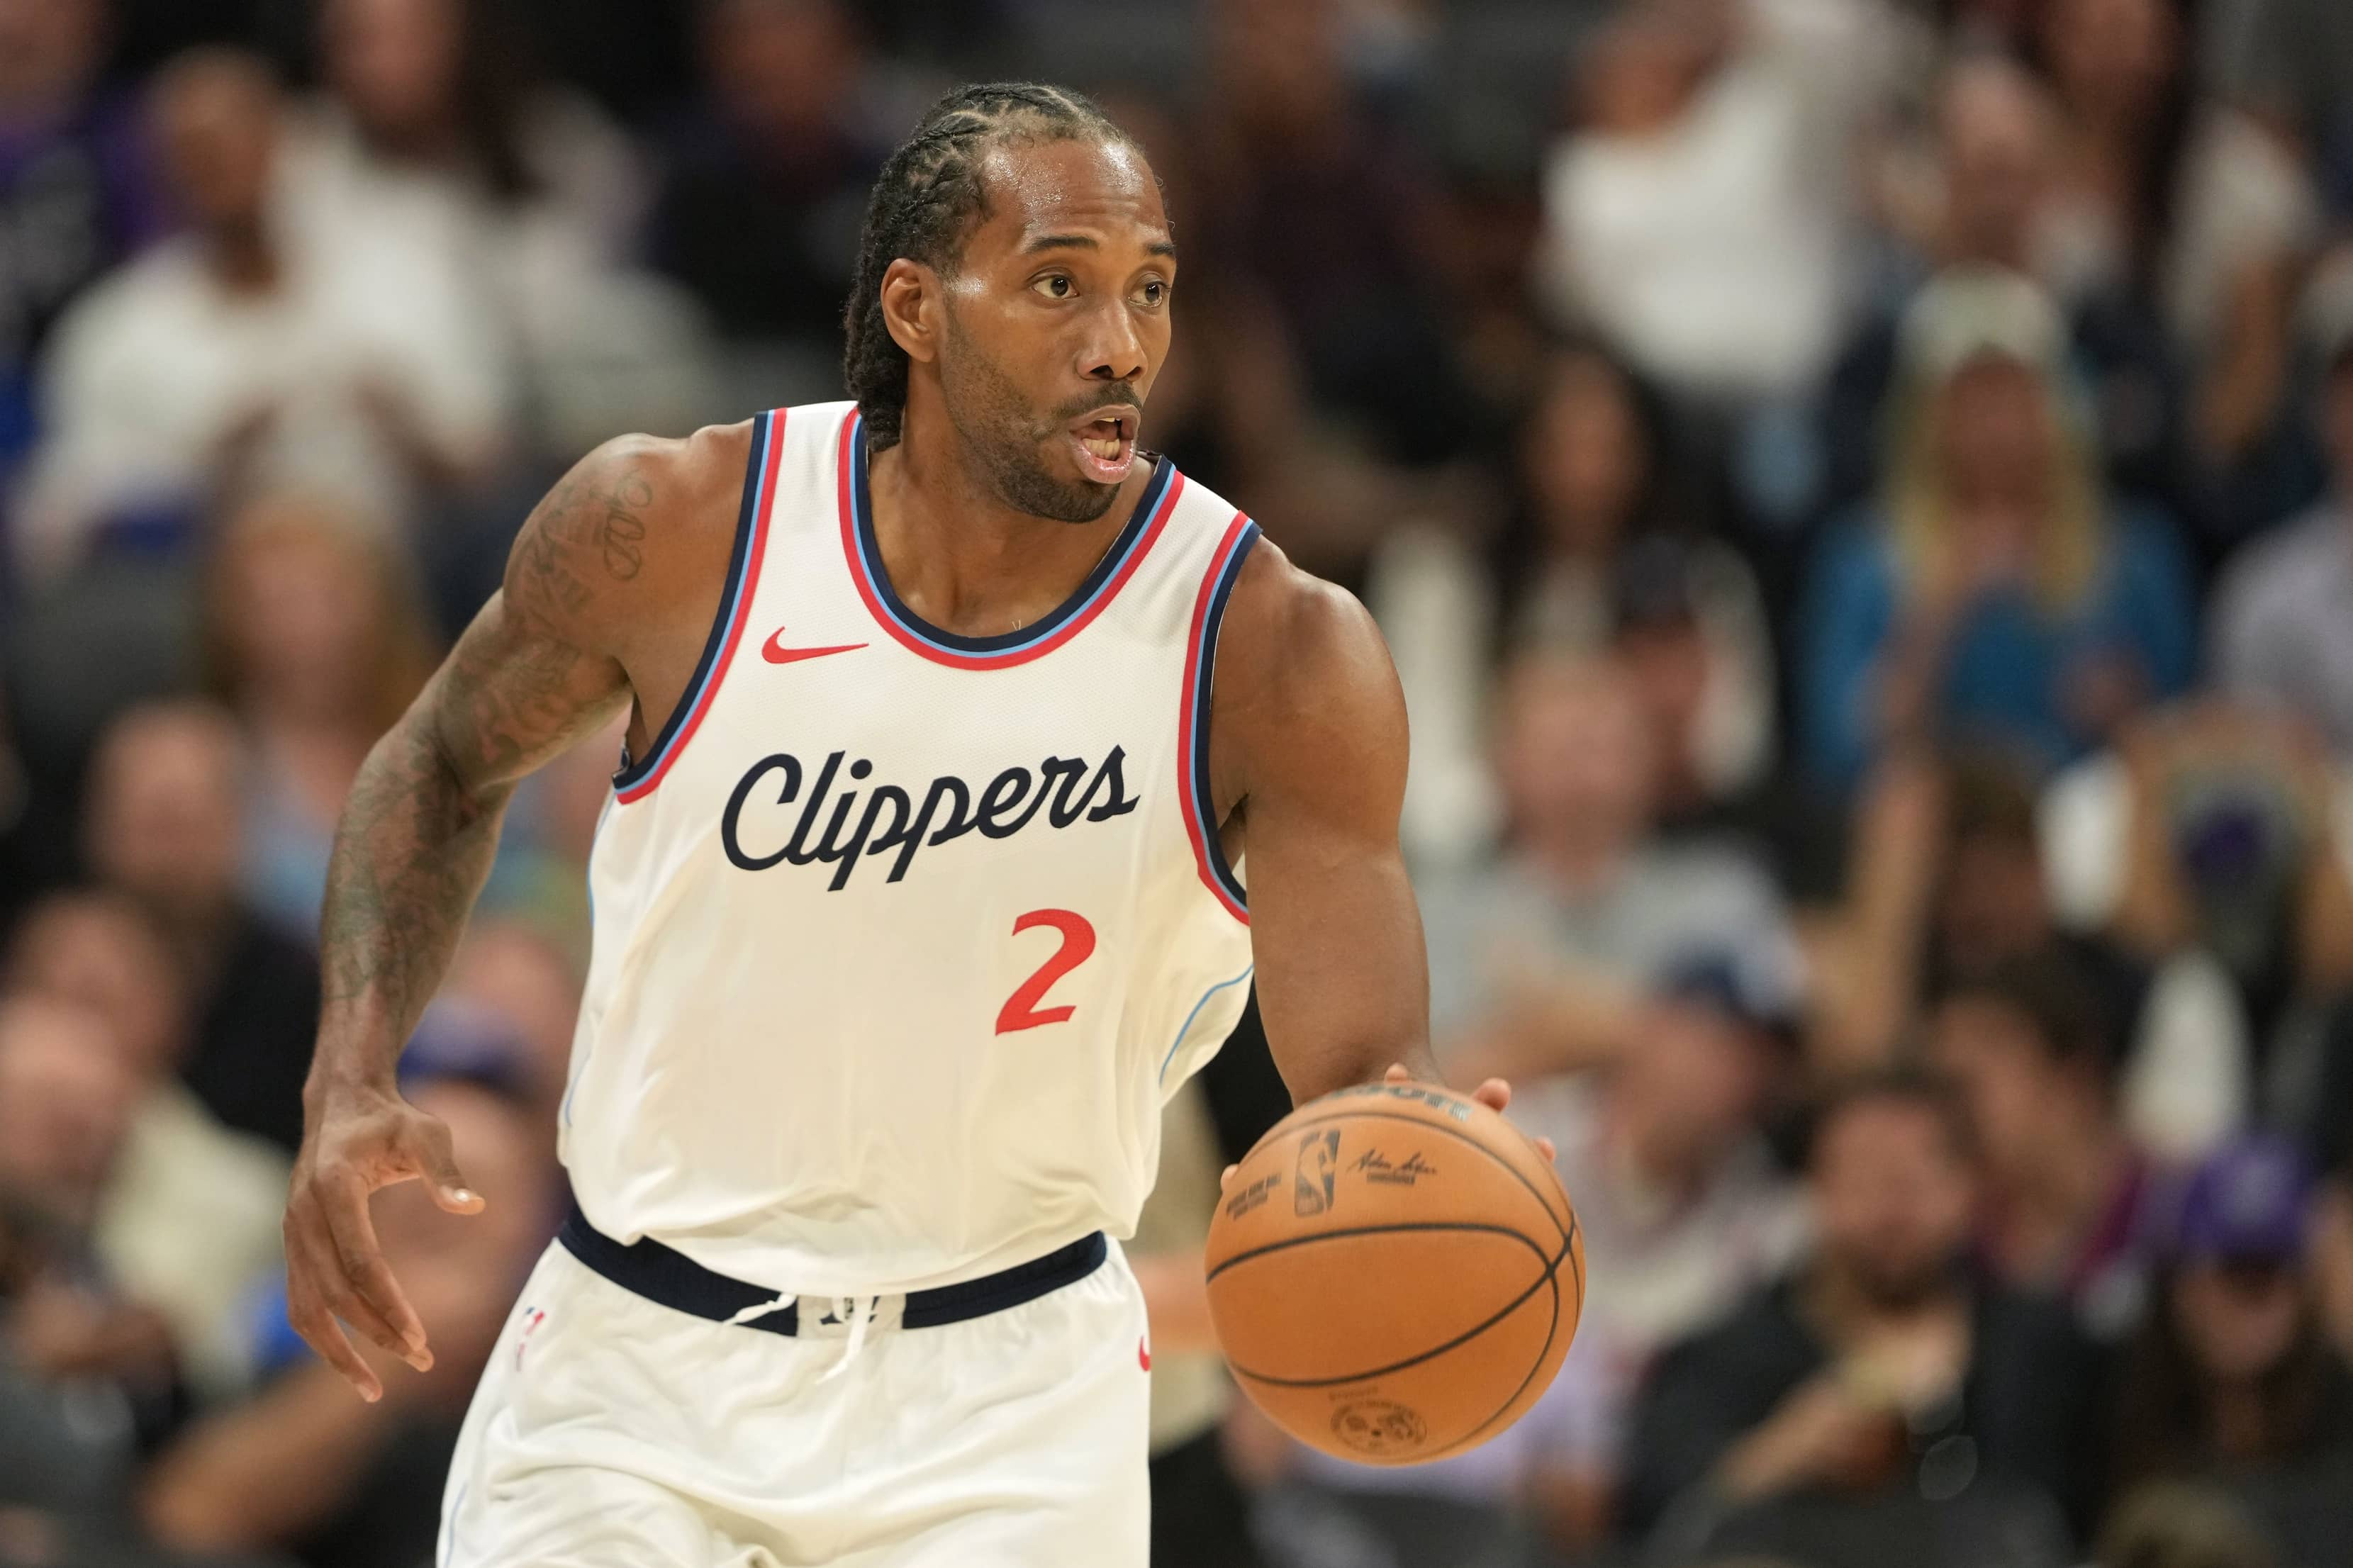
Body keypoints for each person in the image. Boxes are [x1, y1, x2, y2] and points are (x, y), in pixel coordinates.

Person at [284, 82, 1550, 1567]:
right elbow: (437, 760)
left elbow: (1352, 1087)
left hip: (1010, 1394)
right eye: (1058, 283)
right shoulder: (679, 527)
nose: (1119, 342)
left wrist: (1420, 1158)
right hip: (639, 1359)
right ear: (916, 307)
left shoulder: (1273, 647)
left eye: (1149, 289)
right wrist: (349, 1067)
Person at [12, 47, 508, 587]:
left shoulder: (404, 277)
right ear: (159, 168)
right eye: (196, 150)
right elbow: (56, 526)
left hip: (412, 574)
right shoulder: (114, 331)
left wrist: (410, 434)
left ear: (288, 139)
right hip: (200, 593)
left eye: (240, 137)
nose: (223, 166)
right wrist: (200, 471)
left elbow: (492, 461)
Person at [1623, 1070, 2111, 1554]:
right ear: (1814, 1187)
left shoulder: (2044, 1351)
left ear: (1969, 1188)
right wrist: (1774, 1454)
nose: (1891, 1210)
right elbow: (1650, 1517)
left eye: (1914, 1180)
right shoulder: (1722, 1358)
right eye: (1863, 1177)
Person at [1799, 267, 2197, 790]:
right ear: (1925, 417)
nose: (1992, 424)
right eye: (1969, 398)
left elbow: (2187, 735)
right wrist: (1939, 614)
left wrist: (2121, 706)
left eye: (2011, 394)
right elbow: (1839, 753)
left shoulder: (2135, 554)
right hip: (1930, 813)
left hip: (2087, 808)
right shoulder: (1863, 560)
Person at [81, 700, 322, 1154]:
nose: (172, 851)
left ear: (240, 824)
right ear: (99, 823)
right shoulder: (50, 965)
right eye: (154, 820)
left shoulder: (301, 988)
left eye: (190, 818)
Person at [1928, 947, 2164, 1338]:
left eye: (1973, 1083)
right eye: (1943, 1089)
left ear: (2072, 1083)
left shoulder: (2167, 1219)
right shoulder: (1952, 1249)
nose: (1955, 1114)